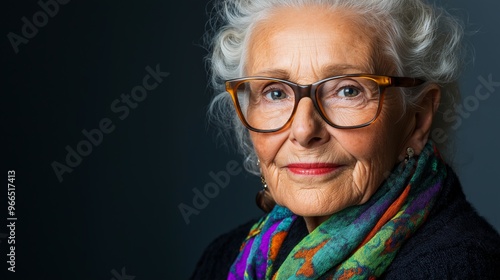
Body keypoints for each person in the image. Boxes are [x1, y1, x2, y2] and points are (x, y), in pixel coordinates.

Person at [191, 0, 500, 278]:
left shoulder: (458, 267)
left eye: (348, 90)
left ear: (417, 119)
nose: (303, 130)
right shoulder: (228, 257)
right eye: (275, 93)